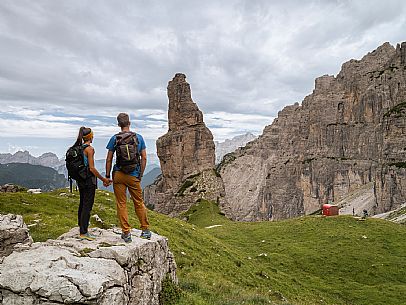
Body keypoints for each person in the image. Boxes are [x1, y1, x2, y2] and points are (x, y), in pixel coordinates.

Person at [105, 113, 151, 242]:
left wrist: (108, 176)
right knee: (138, 202)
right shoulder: (139, 138)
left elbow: (109, 159)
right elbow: (144, 158)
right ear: (129, 123)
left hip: (118, 175)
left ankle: (126, 233)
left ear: (119, 124)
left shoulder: (115, 139)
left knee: (121, 204)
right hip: (133, 175)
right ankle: (145, 230)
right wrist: (140, 174)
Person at [73, 127, 112, 241]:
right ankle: (84, 232)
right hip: (89, 180)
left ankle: (81, 227)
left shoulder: (78, 148)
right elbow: (92, 168)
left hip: (80, 179)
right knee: (87, 205)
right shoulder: (90, 149)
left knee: (82, 203)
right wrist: (103, 179)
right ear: (90, 137)